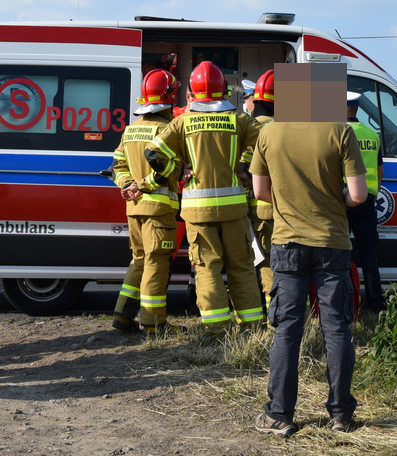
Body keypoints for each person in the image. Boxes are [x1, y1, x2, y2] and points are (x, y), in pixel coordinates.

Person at [250, 74, 367, 437]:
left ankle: (279, 415)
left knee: (287, 331)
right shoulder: (341, 131)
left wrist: (290, 203)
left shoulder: (269, 132)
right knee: (336, 329)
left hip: (287, 245)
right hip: (332, 243)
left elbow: (260, 190)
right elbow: (359, 195)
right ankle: (341, 414)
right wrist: (334, 202)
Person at [145, 61, 263, 334]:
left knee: (207, 269)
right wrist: (245, 167)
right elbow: (266, 145)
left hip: (197, 212)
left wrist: (177, 171)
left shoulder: (181, 122)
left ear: (193, 92)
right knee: (242, 268)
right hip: (234, 209)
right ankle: (253, 328)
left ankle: (217, 330)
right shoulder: (240, 119)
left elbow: (152, 153)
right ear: (224, 90)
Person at [110, 69, 182, 336]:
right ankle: (154, 323)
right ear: (171, 98)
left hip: (133, 208)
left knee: (139, 259)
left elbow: (117, 165)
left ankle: (123, 316)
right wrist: (144, 185)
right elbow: (168, 170)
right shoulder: (168, 129)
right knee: (156, 262)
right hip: (158, 208)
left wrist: (128, 186)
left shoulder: (131, 130)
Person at [345, 92, 386, 311]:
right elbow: (380, 171)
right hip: (368, 199)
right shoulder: (372, 133)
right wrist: (373, 193)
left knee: (340, 252)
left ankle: (345, 302)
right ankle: (377, 304)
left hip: (344, 199)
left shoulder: (341, 131)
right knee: (369, 255)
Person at [246, 70, 275, 307]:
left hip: (261, 210)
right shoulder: (294, 129)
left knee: (265, 263)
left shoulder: (251, 128)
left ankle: (274, 317)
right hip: (291, 208)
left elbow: (245, 171)